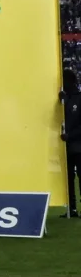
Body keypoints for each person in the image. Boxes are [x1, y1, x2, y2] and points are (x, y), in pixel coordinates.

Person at [61, 69, 81, 217]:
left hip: (78, 145)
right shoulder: (63, 99)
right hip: (65, 147)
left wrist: (70, 136)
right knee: (68, 179)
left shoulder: (79, 98)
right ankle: (71, 208)